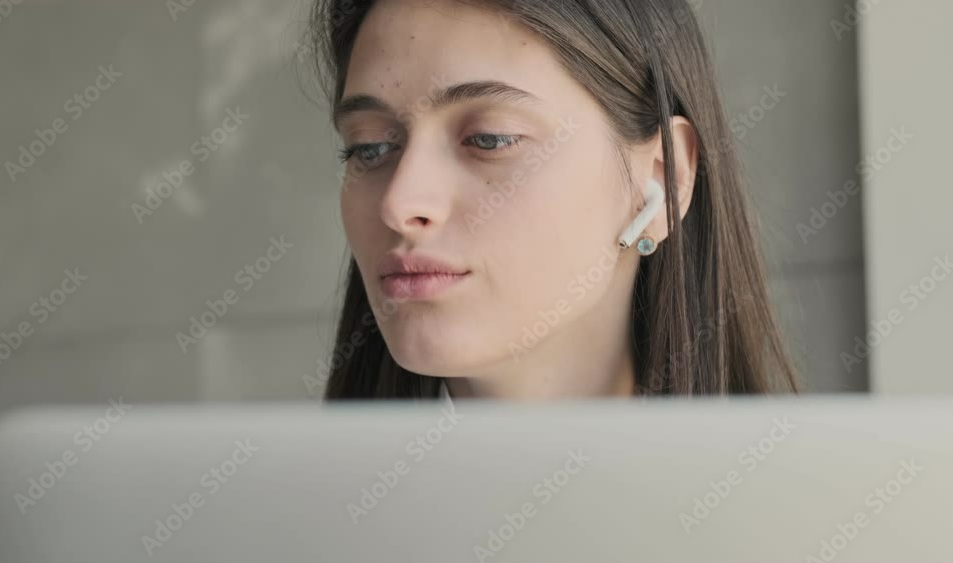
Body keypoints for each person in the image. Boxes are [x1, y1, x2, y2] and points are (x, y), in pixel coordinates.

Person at [304, 0, 799, 400]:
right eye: (368, 146)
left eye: (491, 139)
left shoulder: (806, 514)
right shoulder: (293, 519)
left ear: (661, 181)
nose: (399, 201)